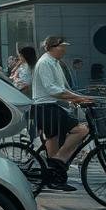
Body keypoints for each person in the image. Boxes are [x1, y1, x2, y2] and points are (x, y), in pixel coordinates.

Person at [31, 36, 92, 191]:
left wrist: (76, 98)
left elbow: (63, 87)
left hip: (51, 107)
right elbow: (52, 90)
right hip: (46, 107)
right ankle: (59, 160)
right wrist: (77, 97)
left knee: (53, 143)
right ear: (51, 47)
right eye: (62, 47)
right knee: (82, 130)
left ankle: (55, 178)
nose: (64, 50)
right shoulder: (45, 63)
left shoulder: (55, 63)